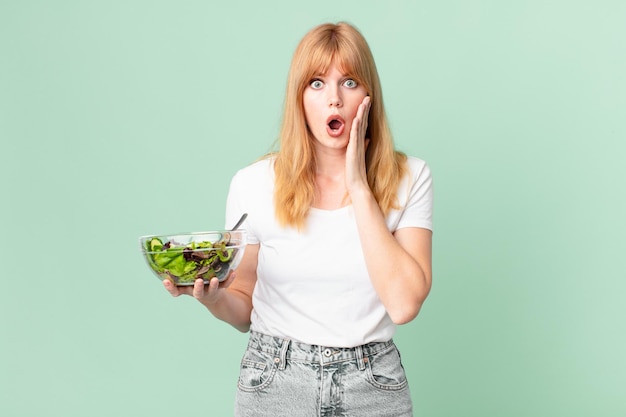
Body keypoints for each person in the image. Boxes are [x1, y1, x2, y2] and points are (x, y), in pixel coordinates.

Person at [164, 21, 433, 416]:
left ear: (369, 96)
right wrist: (215, 297)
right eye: (317, 83)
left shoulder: (410, 177)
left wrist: (359, 188)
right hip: (275, 381)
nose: (335, 100)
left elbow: (404, 304)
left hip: (372, 384)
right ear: (299, 98)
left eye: (350, 82)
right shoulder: (253, 184)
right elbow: (245, 308)